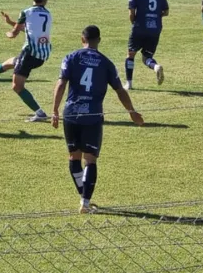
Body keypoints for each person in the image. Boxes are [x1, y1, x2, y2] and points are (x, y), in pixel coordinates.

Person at [52, 25, 143, 213]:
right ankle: (85, 201)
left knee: (74, 157)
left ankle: (83, 197)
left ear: (81, 39)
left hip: (71, 113)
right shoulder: (106, 63)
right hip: (92, 115)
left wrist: (54, 111)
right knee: (90, 160)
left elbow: (61, 84)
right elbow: (119, 90)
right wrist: (132, 112)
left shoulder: (71, 57)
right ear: (99, 40)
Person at [0, 0, 53, 122]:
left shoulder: (26, 12)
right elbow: (31, 30)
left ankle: (40, 113)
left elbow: (14, 33)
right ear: (45, 0)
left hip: (29, 54)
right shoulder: (48, 14)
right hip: (43, 55)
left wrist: (9, 33)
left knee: (17, 86)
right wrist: (11, 22)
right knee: (8, 64)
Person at [125, 0, 168, 91]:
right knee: (146, 56)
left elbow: (131, 13)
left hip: (140, 27)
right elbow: (166, 12)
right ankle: (156, 67)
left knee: (130, 54)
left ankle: (129, 83)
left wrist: (135, 22)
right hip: (155, 28)